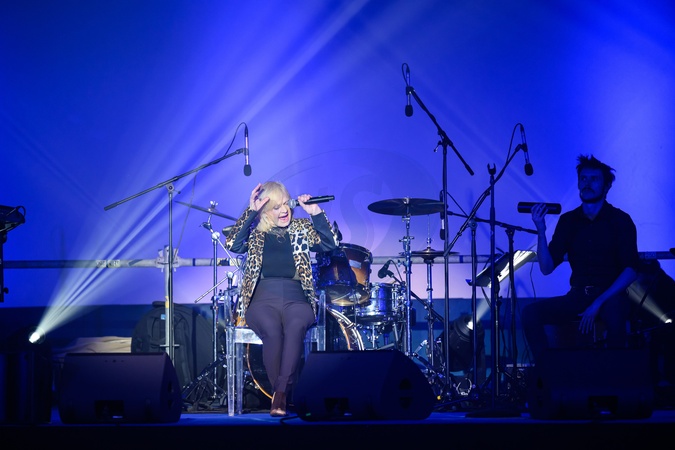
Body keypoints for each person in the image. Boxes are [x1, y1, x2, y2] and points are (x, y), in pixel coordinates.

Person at [225, 181, 340, 417]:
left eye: (286, 204)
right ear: (265, 211)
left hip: (297, 297)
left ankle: (279, 395)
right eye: (276, 207)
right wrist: (250, 211)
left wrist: (316, 213)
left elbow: (330, 243)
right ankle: (286, 393)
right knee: (272, 331)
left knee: (295, 326)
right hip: (262, 298)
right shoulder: (256, 234)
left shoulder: (301, 227)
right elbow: (233, 244)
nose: (284, 210)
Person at [521, 154, 640, 363]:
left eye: (594, 179)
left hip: (610, 295)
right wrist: (540, 230)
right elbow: (546, 268)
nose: (587, 183)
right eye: (583, 178)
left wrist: (598, 302)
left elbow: (631, 270)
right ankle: (548, 371)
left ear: (606, 187)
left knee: (615, 315)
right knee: (530, 313)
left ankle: (615, 375)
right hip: (577, 295)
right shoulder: (569, 221)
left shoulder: (620, 220)